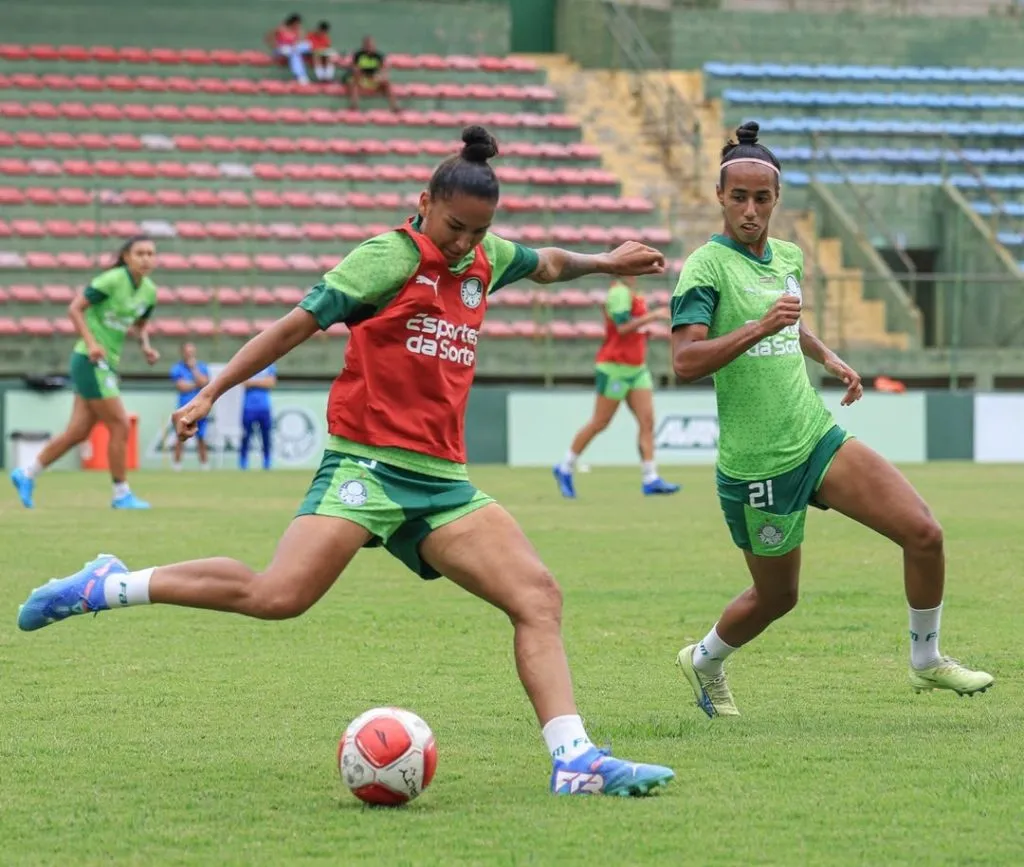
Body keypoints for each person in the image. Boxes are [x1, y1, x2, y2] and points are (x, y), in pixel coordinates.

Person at [17, 126, 676, 798]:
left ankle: (575, 761)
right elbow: (292, 326)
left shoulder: (487, 256)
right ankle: (110, 584)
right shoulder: (385, 259)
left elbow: (549, 263)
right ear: (425, 202)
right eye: (454, 227)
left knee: (537, 597)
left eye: (478, 231)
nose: (463, 243)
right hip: (366, 464)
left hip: (442, 481)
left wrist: (606, 261)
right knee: (278, 596)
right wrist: (212, 390)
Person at [669, 121, 993, 719]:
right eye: (738, 197)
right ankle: (705, 659)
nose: (749, 210)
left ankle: (926, 659)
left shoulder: (788, 256)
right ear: (719, 196)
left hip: (816, 438)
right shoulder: (705, 269)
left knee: (924, 533)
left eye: (761, 198)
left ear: (776, 199)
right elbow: (685, 361)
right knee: (777, 598)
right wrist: (760, 327)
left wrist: (826, 355)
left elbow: (789, 321)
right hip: (757, 465)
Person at [10, 236, 158, 510]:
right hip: (89, 361)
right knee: (120, 424)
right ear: (126, 257)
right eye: (140, 253)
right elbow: (75, 309)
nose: (146, 258)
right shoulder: (111, 280)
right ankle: (121, 494)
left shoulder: (149, 291)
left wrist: (146, 346)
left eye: (151, 253)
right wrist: (91, 343)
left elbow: (139, 325)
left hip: (106, 362)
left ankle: (27, 473)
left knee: (77, 432)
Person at [553, 272, 680, 498]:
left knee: (647, 421)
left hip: (637, 368)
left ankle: (650, 477)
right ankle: (565, 466)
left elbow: (634, 328)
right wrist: (653, 317)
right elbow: (622, 327)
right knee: (600, 422)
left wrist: (648, 330)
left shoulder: (632, 293)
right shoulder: (619, 292)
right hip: (615, 368)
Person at [170, 343, 210, 471]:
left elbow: (205, 383)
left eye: (191, 351)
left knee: (201, 437)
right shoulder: (177, 368)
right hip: (184, 408)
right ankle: (177, 465)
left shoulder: (202, 367)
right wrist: (197, 384)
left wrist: (193, 369)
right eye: (187, 352)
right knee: (180, 436)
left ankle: (204, 465)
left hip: (199, 408)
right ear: (183, 353)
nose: (189, 354)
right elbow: (181, 386)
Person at [345, 36, 399, 112]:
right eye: (367, 45)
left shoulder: (379, 56)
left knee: (387, 84)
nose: (369, 47)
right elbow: (355, 69)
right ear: (364, 46)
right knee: (353, 83)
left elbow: (384, 70)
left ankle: (395, 106)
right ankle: (354, 105)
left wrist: (379, 77)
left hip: (374, 79)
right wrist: (361, 75)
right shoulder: (358, 55)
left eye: (371, 45)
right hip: (362, 79)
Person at [239, 364, 277, 471]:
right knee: (246, 436)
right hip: (248, 406)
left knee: (266, 436)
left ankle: (267, 461)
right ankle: (243, 462)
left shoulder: (269, 365)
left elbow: (271, 383)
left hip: (264, 406)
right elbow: (244, 382)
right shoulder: (248, 363)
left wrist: (253, 382)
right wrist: (262, 382)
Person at [266, 13, 311, 85]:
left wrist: (298, 34)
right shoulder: (281, 28)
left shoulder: (297, 30)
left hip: (292, 49)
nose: (298, 25)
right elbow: (269, 37)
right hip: (281, 49)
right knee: (294, 54)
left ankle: (300, 76)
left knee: (300, 49)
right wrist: (276, 46)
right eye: (297, 23)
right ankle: (301, 76)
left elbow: (301, 40)